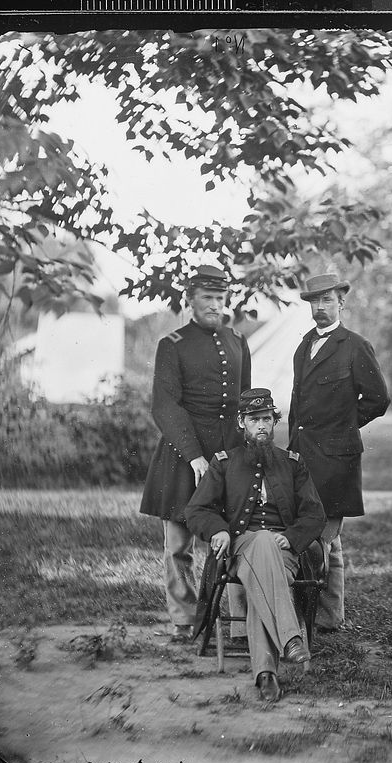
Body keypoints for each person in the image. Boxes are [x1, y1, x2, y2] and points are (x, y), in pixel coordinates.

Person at [185, 389, 326, 702]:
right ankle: (290, 637)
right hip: (239, 549)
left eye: (266, 419)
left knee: (261, 575)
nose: (261, 425)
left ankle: (266, 676)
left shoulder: (292, 464)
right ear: (242, 423)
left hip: (285, 553)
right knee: (260, 541)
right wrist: (218, 530)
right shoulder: (224, 463)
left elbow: (315, 514)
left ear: (274, 422)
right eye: (254, 419)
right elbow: (196, 510)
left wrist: (290, 537)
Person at [140, 265, 251, 643]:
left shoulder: (238, 340)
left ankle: (239, 620)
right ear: (191, 299)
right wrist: (194, 456)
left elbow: (245, 404)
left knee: (234, 537)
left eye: (220, 299)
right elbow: (165, 407)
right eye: (207, 298)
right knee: (178, 544)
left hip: (228, 454)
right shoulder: (172, 344)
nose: (215, 306)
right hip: (182, 455)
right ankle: (184, 620)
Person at [289, 272, 390, 632]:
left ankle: (319, 619)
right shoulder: (303, 346)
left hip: (336, 460)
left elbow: (379, 399)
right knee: (320, 539)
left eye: (327, 300)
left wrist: (342, 427)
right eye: (315, 301)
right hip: (303, 458)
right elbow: (296, 407)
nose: (320, 306)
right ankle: (329, 617)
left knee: (324, 538)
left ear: (341, 303)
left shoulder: (355, 345)